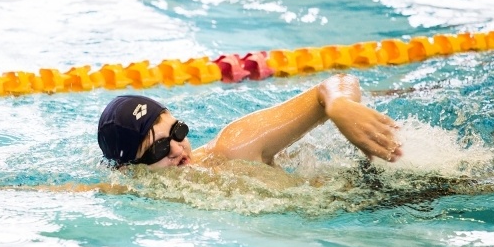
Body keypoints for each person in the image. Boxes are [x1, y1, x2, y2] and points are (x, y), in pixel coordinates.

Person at [97, 73, 403, 170]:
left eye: (178, 131)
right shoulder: (133, 189)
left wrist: (340, 105)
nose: (178, 149)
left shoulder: (234, 148)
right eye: (159, 148)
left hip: (382, 193)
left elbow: (334, 83)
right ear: (128, 170)